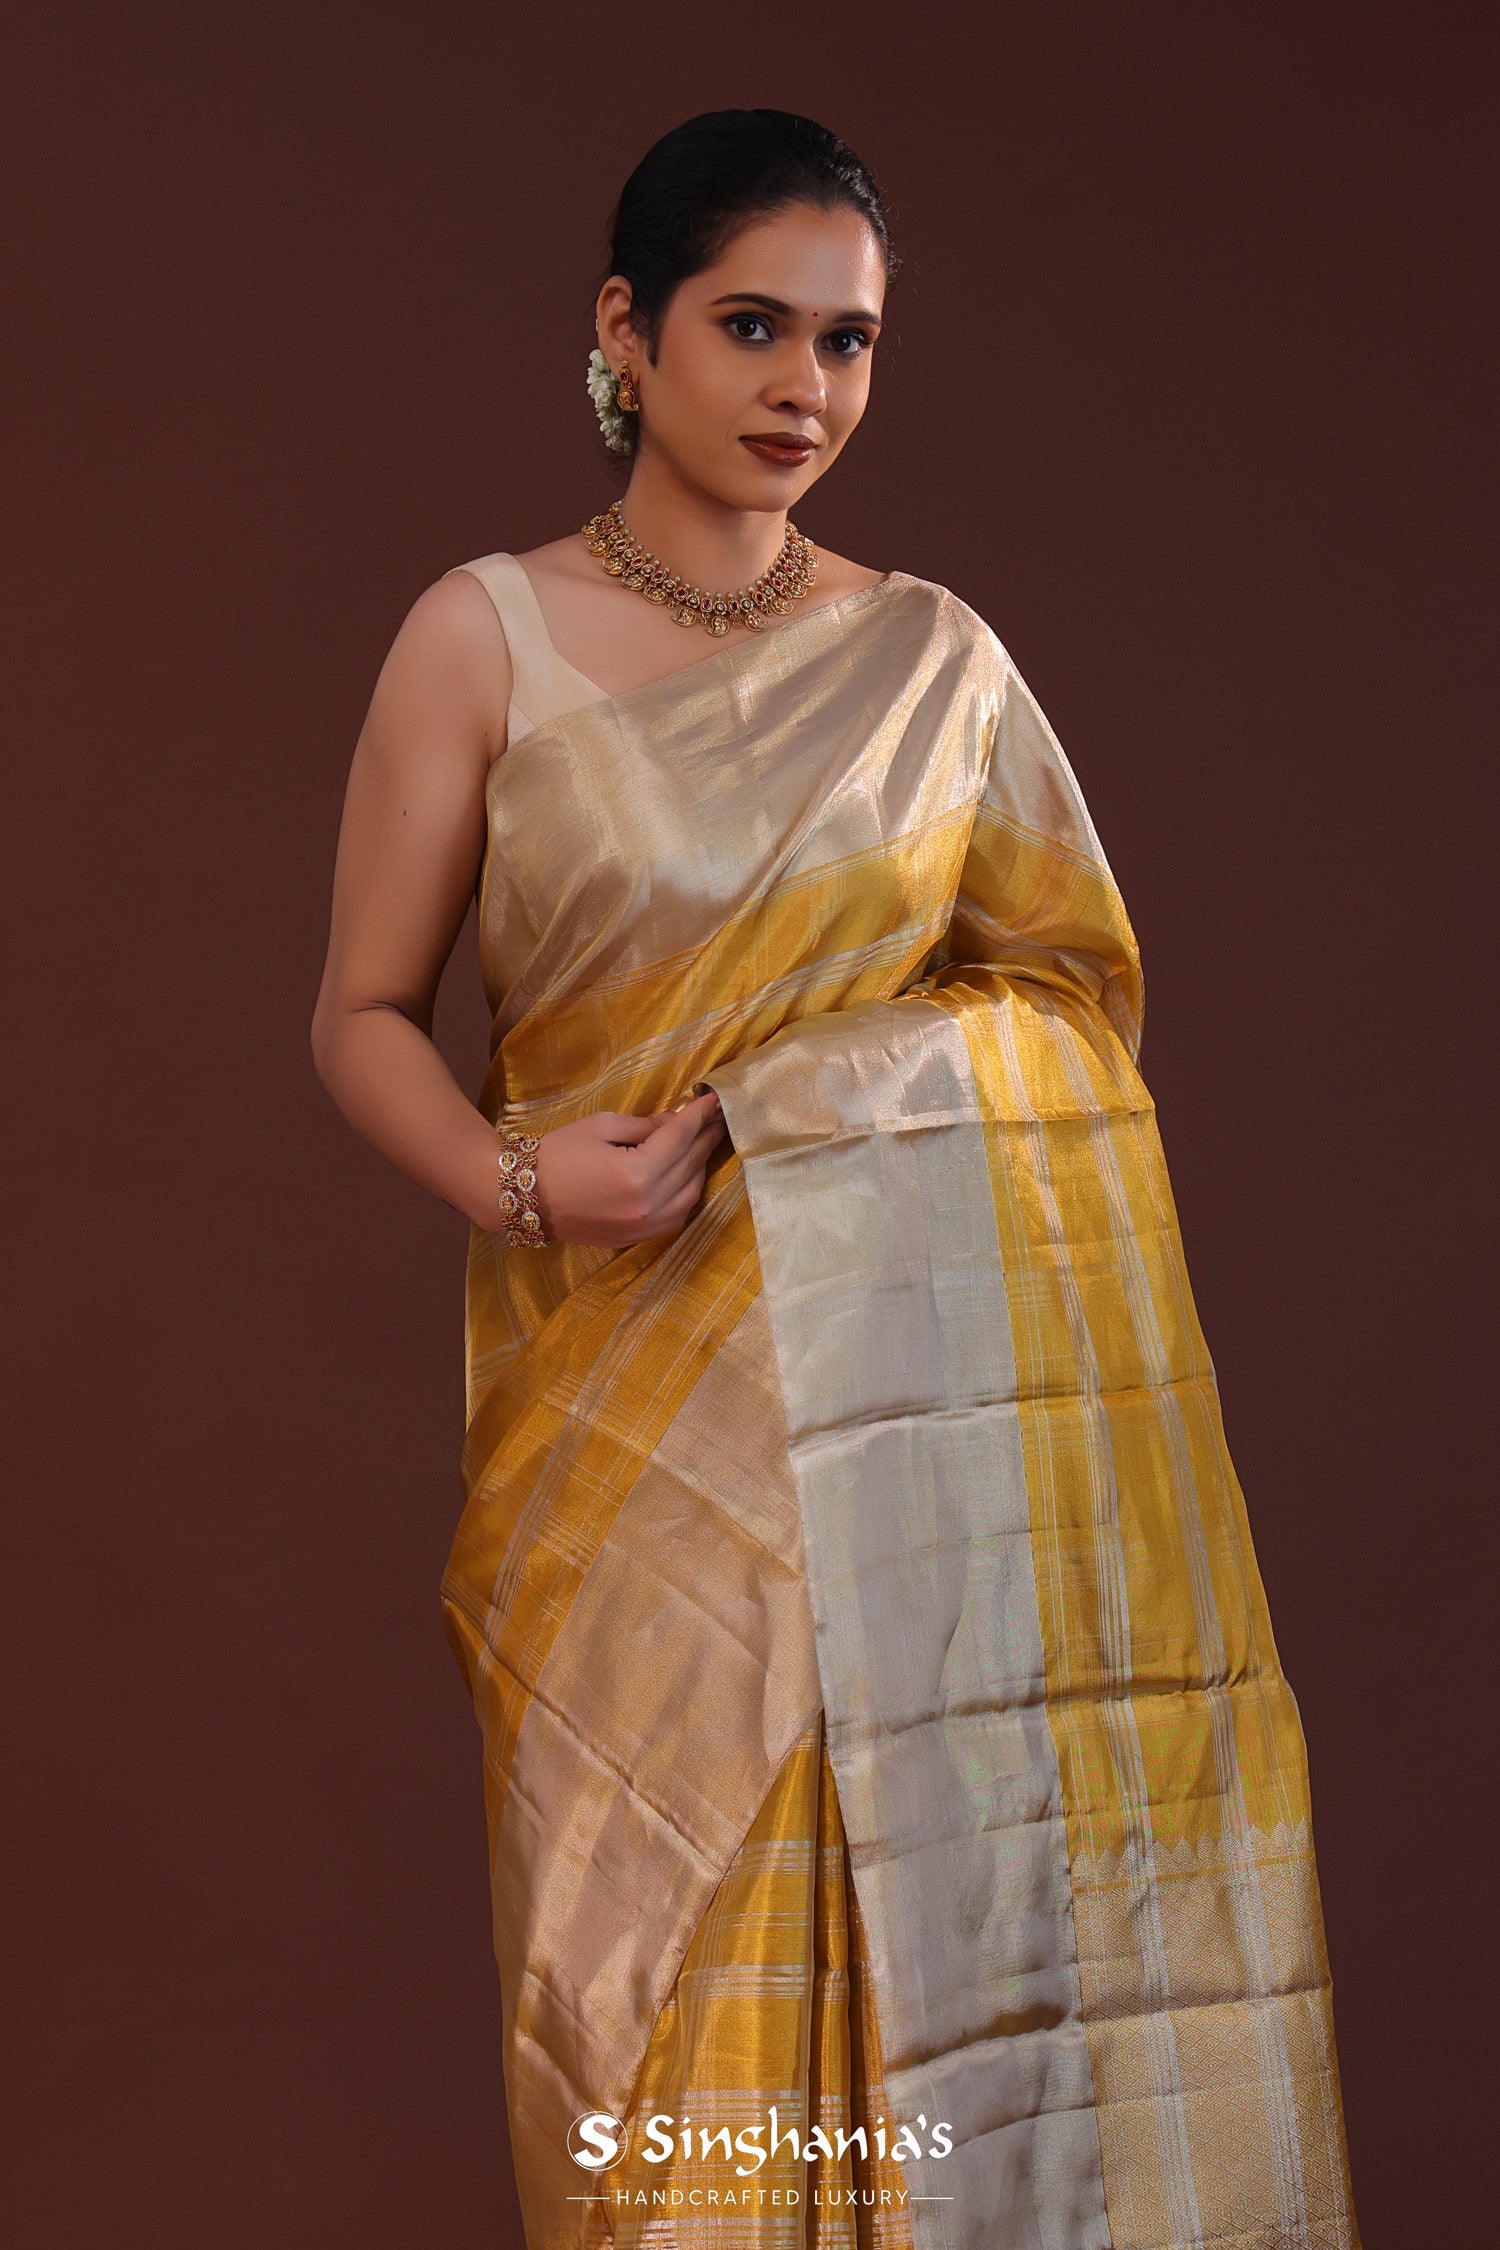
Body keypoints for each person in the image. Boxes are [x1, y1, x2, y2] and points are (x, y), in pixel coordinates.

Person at [311, 107, 1361, 2250]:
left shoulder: (934, 665)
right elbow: (359, 1015)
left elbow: (1064, 1007)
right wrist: (522, 1185)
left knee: (924, 1977)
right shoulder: (481, 638)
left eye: (850, 341)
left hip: (905, 1447)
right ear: (627, 332)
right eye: (753, 326)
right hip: (621, 1435)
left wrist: (824, 1101)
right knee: (642, 2012)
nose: (806, 385)